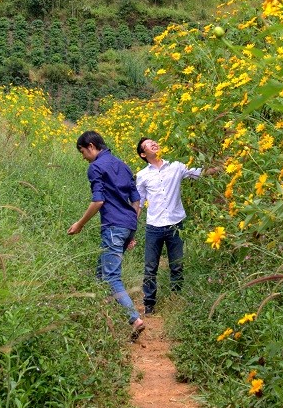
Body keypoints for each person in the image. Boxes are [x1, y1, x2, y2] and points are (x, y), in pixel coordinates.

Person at [68, 131, 145, 339]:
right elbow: (136, 199)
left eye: (82, 151)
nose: (83, 157)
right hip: (129, 224)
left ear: (91, 146)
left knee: (111, 277)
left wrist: (80, 224)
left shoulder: (95, 167)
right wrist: (131, 226)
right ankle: (102, 318)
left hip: (113, 225)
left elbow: (98, 201)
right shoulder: (123, 164)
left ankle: (134, 319)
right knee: (100, 274)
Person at [135, 137, 215, 315]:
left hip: (175, 225)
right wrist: (131, 229)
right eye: (149, 144)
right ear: (143, 154)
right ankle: (149, 304)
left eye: (155, 141)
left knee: (177, 264)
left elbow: (197, 173)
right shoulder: (142, 176)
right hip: (154, 226)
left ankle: (176, 300)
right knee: (150, 266)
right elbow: (139, 203)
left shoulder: (176, 166)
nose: (154, 143)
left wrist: (219, 167)